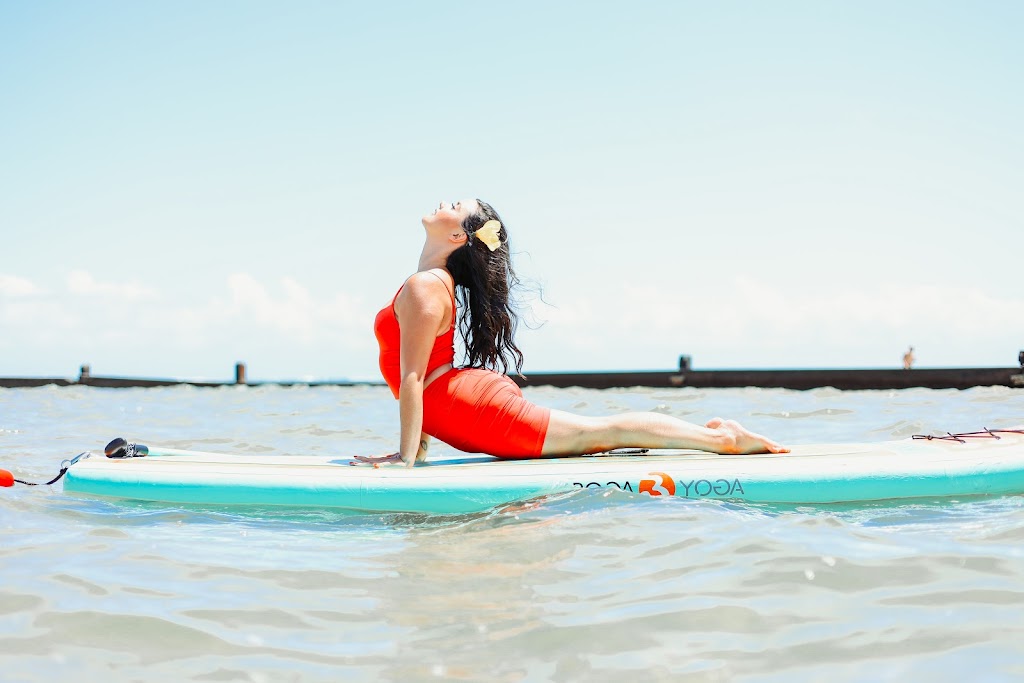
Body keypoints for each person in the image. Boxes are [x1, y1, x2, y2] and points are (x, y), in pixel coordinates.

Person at [359, 199, 788, 467]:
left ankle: (722, 439)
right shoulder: (430, 283)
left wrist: (404, 457)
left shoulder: (425, 287)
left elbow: (414, 377)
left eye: (456, 204)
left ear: (456, 234)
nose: (444, 201)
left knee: (598, 433)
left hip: (464, 408)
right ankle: (710, 436)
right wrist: (416, 448)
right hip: (455, 402)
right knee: (594, 437)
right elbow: (422, 371)